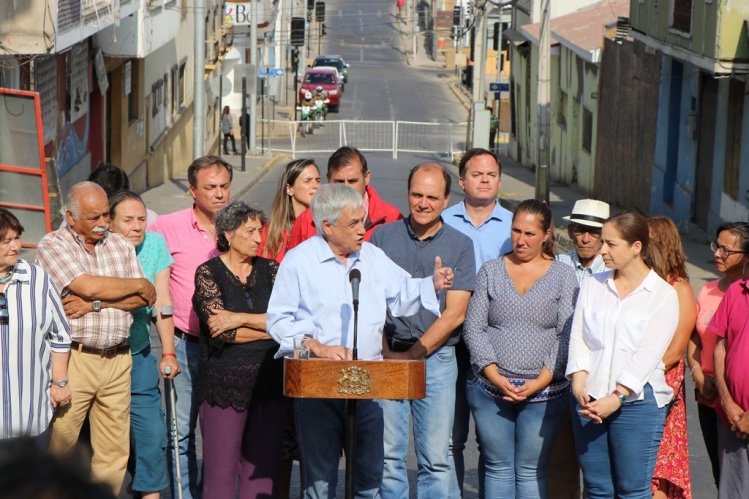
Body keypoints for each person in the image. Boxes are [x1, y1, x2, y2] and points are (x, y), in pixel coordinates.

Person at [267, 184, 455, 498]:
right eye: (353, 223)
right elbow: (278, 320)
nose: (362, 229)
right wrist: (316, 347)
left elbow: (402, 294)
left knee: (369, 479)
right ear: (327, 226)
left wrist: (432, 284)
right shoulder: (298, 262)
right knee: (319, 482)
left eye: (362, 220)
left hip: (368, 385)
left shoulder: (372, 256)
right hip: (318, 387)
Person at [35, 182, 156, 494]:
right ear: (71, 217)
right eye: (94, 217)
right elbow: (86, 284)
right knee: (61, 444)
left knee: (114, 451)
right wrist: (130, 287)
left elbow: (145, 295)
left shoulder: (120, 245)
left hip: (118, 357)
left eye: (105, 215)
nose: (104, 222)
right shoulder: (53, 244)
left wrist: (98, 303)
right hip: (75, 359)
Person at [371, 163, 475, 498]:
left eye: (432, 196)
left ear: (446, 200)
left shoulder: (460, 245)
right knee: (388, 457)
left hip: (436, 362)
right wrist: (388, 352)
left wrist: (414, 355)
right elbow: (373, 305)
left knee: (436, 458)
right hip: (389, 355)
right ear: (407, 194)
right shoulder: (382, 238)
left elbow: (454, 315)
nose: (423, 203)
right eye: (417, 194)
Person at [463, 199, 578, 498]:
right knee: (498, 467)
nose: (521, 240)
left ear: (546, 235)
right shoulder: (491, 270)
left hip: (545, 392)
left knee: (530, 470)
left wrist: (540, 380)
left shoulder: (564, 276)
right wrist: (494, 374)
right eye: (516, 231)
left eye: (529, 233)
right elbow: (474, 327)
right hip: (491, 389)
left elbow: (566, 333)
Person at [566, 210, 679, 498]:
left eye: (611, 244)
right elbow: (578, 336)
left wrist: (616, 398)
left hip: (636, 404)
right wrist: (578, 381)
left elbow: (647, 357)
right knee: (597, 487)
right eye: (603, 242)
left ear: (636, 247)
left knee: (632, 490)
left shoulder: (663, 295)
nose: (602, 250)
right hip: (588, 399)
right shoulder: (593, 284)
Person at [150, 155, 232, 499]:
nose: (219, 194)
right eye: (210, 187)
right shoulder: (166, 227)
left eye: (224, 186)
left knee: (220, 435)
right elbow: (152, 280)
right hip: (184, 342)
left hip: (230, 348)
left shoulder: (238, 225)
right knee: (180, 433)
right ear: (192, 190)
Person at [193, 201, 286, 498]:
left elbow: (290, 323)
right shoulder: (208, 273)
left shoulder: (272, 270)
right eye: (251, 231)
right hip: (224, 385)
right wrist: (270, 330)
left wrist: (242, 319)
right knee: (219, 478)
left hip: (269, 383)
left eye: (260, 230)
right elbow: (222, 332)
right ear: (228, 234)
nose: (259, 238)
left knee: (261, 477)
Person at [443, 148, 512, 495]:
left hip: (495, 345)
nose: (484, 180)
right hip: (449, 340)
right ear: (462, 181)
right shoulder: (444, 221)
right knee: (450, 439)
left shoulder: (516, 227)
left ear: (499, 180)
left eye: (491, 174)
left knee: (491, 442)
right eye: (477, 174)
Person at [108, 191, 179, 499]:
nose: (137, 227)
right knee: (106, 441)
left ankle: (149, 492)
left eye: (141, 220)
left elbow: (162, 302)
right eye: (127, 220)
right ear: (110, 223)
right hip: (103, 355)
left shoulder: (155, 245)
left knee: (152, 435)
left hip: (138, 353)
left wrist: (168, 351)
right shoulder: (101, 248)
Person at [551, 198, 610, 498]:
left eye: (592, 231)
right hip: (558, 377)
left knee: (598, 467)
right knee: (560, 463)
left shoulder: (612, 270)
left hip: (598, 379)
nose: (585, 238)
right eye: (579, 229)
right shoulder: (557, 266)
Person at [0, 208, 72, 442]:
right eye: (6, 241)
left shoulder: (37, 279)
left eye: (16, 238)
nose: (16, 247)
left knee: (29, 479)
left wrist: (59, 382)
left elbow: (60, 334)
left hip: (30, 415)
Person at [688, 222, 749, 486]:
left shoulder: (739, 291)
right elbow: (696, 340)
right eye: (717, 246)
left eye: (726, 250)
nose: (718, 254)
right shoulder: (711, 290)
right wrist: (699, 374)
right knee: (724, 477)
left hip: (735, 403)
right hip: (712, 395)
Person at [647, 216, 696, 499]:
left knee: (659, 470)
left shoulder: (680, 289)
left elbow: (676, 351)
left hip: (663, 387)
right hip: (635, 385)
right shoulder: (643, 284)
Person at [287, 146, 402, 248]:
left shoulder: (392, 219)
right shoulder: (307, 220)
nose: (346, 188)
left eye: (352, 181)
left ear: (366, 177)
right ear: (328, 179)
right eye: (340, 182)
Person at [710, 242, 749, 499]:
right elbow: (720, 346)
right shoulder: (736, 291)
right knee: (733, 493)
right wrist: (726, 401)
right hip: (732, 419)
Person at [260, 159, 321, 262]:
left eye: (318, 180)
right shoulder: (271, 231)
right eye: (308, 181)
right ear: (289, 189)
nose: (315, 186)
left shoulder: (323, 224)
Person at [557, 199, 610, 285]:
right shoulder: (559, 263)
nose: (585, 240)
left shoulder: (611, 272)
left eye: (594, 232)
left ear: (605, 236)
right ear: (570, 232)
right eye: (580, 230)